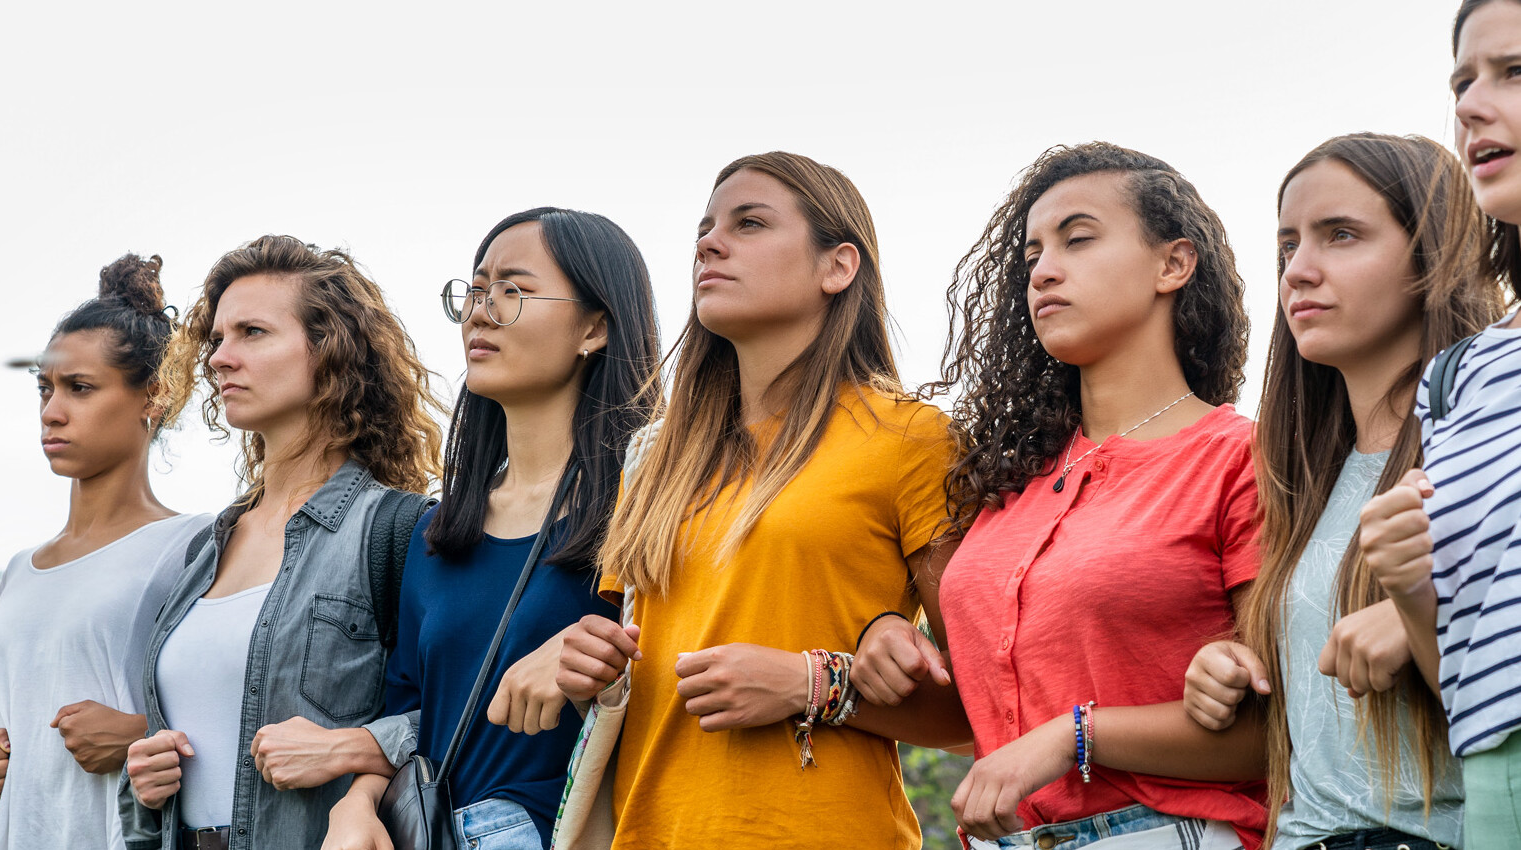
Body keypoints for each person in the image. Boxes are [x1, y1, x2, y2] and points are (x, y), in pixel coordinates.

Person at [858, 143, 1266, 849]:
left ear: (1174, 264)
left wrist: (1074, 737)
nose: (1044, 271)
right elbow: (980, 714)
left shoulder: (1243, 459)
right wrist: (885, 646)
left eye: (1078, 240)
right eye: (1031, 258)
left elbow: (1279, 733)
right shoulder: (1005, 489)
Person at [554, 151, 965, 848]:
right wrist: (587, 665)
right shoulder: (655, 457)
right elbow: (642, 663)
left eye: (750, 223)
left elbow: (984, 710)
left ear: (839, 266)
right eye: (705, 230)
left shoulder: (913, 439)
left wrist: (813, 684)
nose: (709, 244)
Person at [1185, 133, 1498, 849]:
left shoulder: (1490, 444)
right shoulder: (1296, 478)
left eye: (1342, 236)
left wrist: (1420, 616)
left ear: (1434, 255)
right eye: (1287, 247)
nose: (1298, 270)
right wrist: (1231, 667)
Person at [319, 207, 661, 850]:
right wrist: (356, 806)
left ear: (595, 327)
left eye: (514, 291)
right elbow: (408, 713)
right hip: (434, 828)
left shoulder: (649, 510)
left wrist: (588, 653)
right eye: (476, 290)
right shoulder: (436, 531)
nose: (481, 311)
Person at [120, 236, 443, 850]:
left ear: (332, 353)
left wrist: (350, 747)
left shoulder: (399, 531)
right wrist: (146, 779)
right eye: (216, 339)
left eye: (253, 333)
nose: (219, 358)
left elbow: (457, 716)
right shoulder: (204, 548)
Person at [0, 255, 213, 850]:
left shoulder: (195, 545)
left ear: (155, 396)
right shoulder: (21, 570)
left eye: (80, 388)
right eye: (45, 389)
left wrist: (138, 733)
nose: (51, 411)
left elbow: (244, 703)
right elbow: (11, 733)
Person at [1356, 3, 1521, 844]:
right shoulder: (1463, 375)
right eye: (1461, 81)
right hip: (1496, 773)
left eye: (1513, 73)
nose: (1467, 106)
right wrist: (1413, 591)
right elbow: (1458, 679)